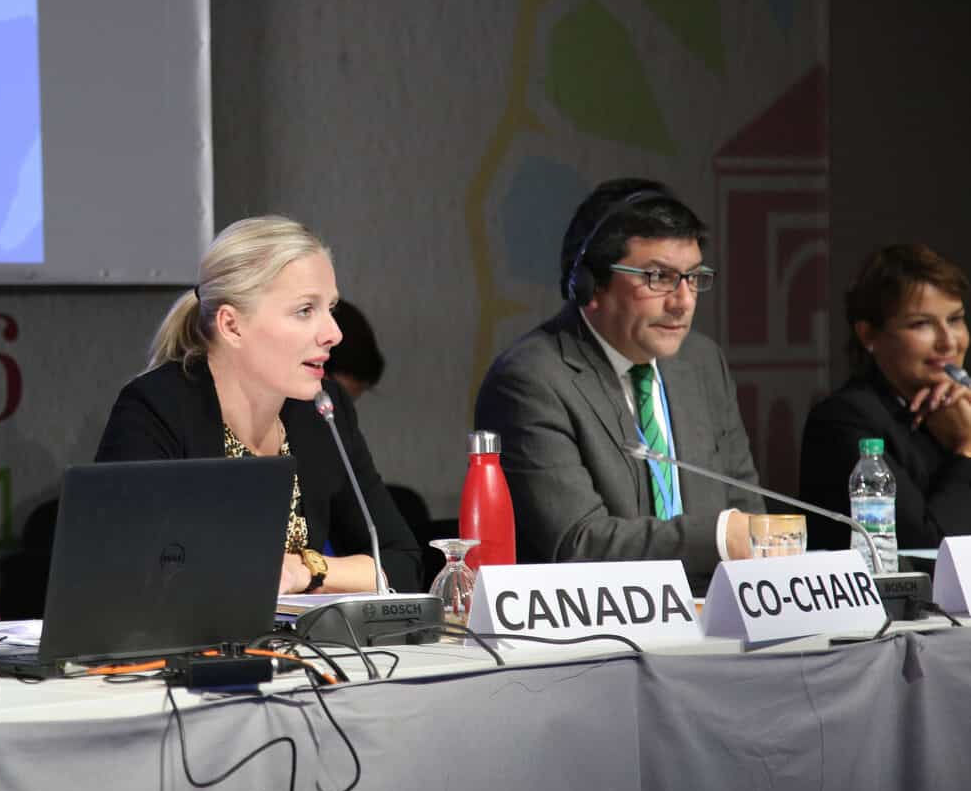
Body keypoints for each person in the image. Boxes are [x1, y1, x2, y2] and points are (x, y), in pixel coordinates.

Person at [95, 216, 422, 594]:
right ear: (231, 326)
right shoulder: (156, 410)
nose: (334, 333)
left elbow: (400, 563)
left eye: (330, 308)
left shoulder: (323, 411)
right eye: (305, 310)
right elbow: (127, 577)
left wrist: (304, 571)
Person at [474, 179, 763, 593]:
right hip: (600, 625)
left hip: (715, 612)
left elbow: (747, 509)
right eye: (658, 277)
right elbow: (577, 543)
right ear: (591, 284)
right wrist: (717, 538)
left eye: (693, 277)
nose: (683, 302)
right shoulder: (531, 380)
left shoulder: (701, 363)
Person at [799, 243, 971, 552]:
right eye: (921, 324)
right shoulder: (843, 419)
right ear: (868, 335)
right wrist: (968, 448)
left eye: (956, 319)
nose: (948, 342)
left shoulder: (961, 405)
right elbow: (926, 550)